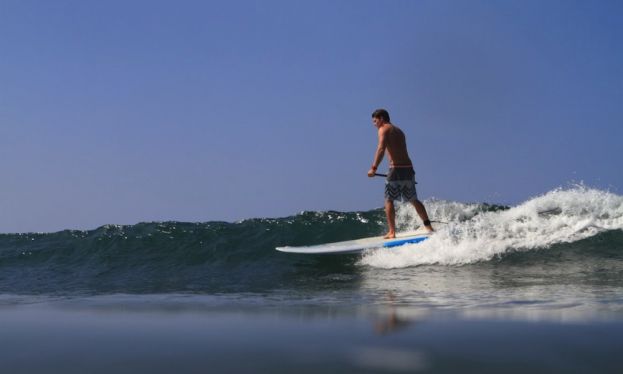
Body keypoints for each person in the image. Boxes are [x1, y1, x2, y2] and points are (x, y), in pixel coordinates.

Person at [367, 109, 433, 238]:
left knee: (389, 200)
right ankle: (428, 226)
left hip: (395, 169)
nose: (374, 124)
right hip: (408, 168)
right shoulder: (399, 131)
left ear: (381, 118)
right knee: (414, 199)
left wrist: (373, 168)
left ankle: (392, 232)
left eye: (375, 121)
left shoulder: (383, 129)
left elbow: (381, 149)